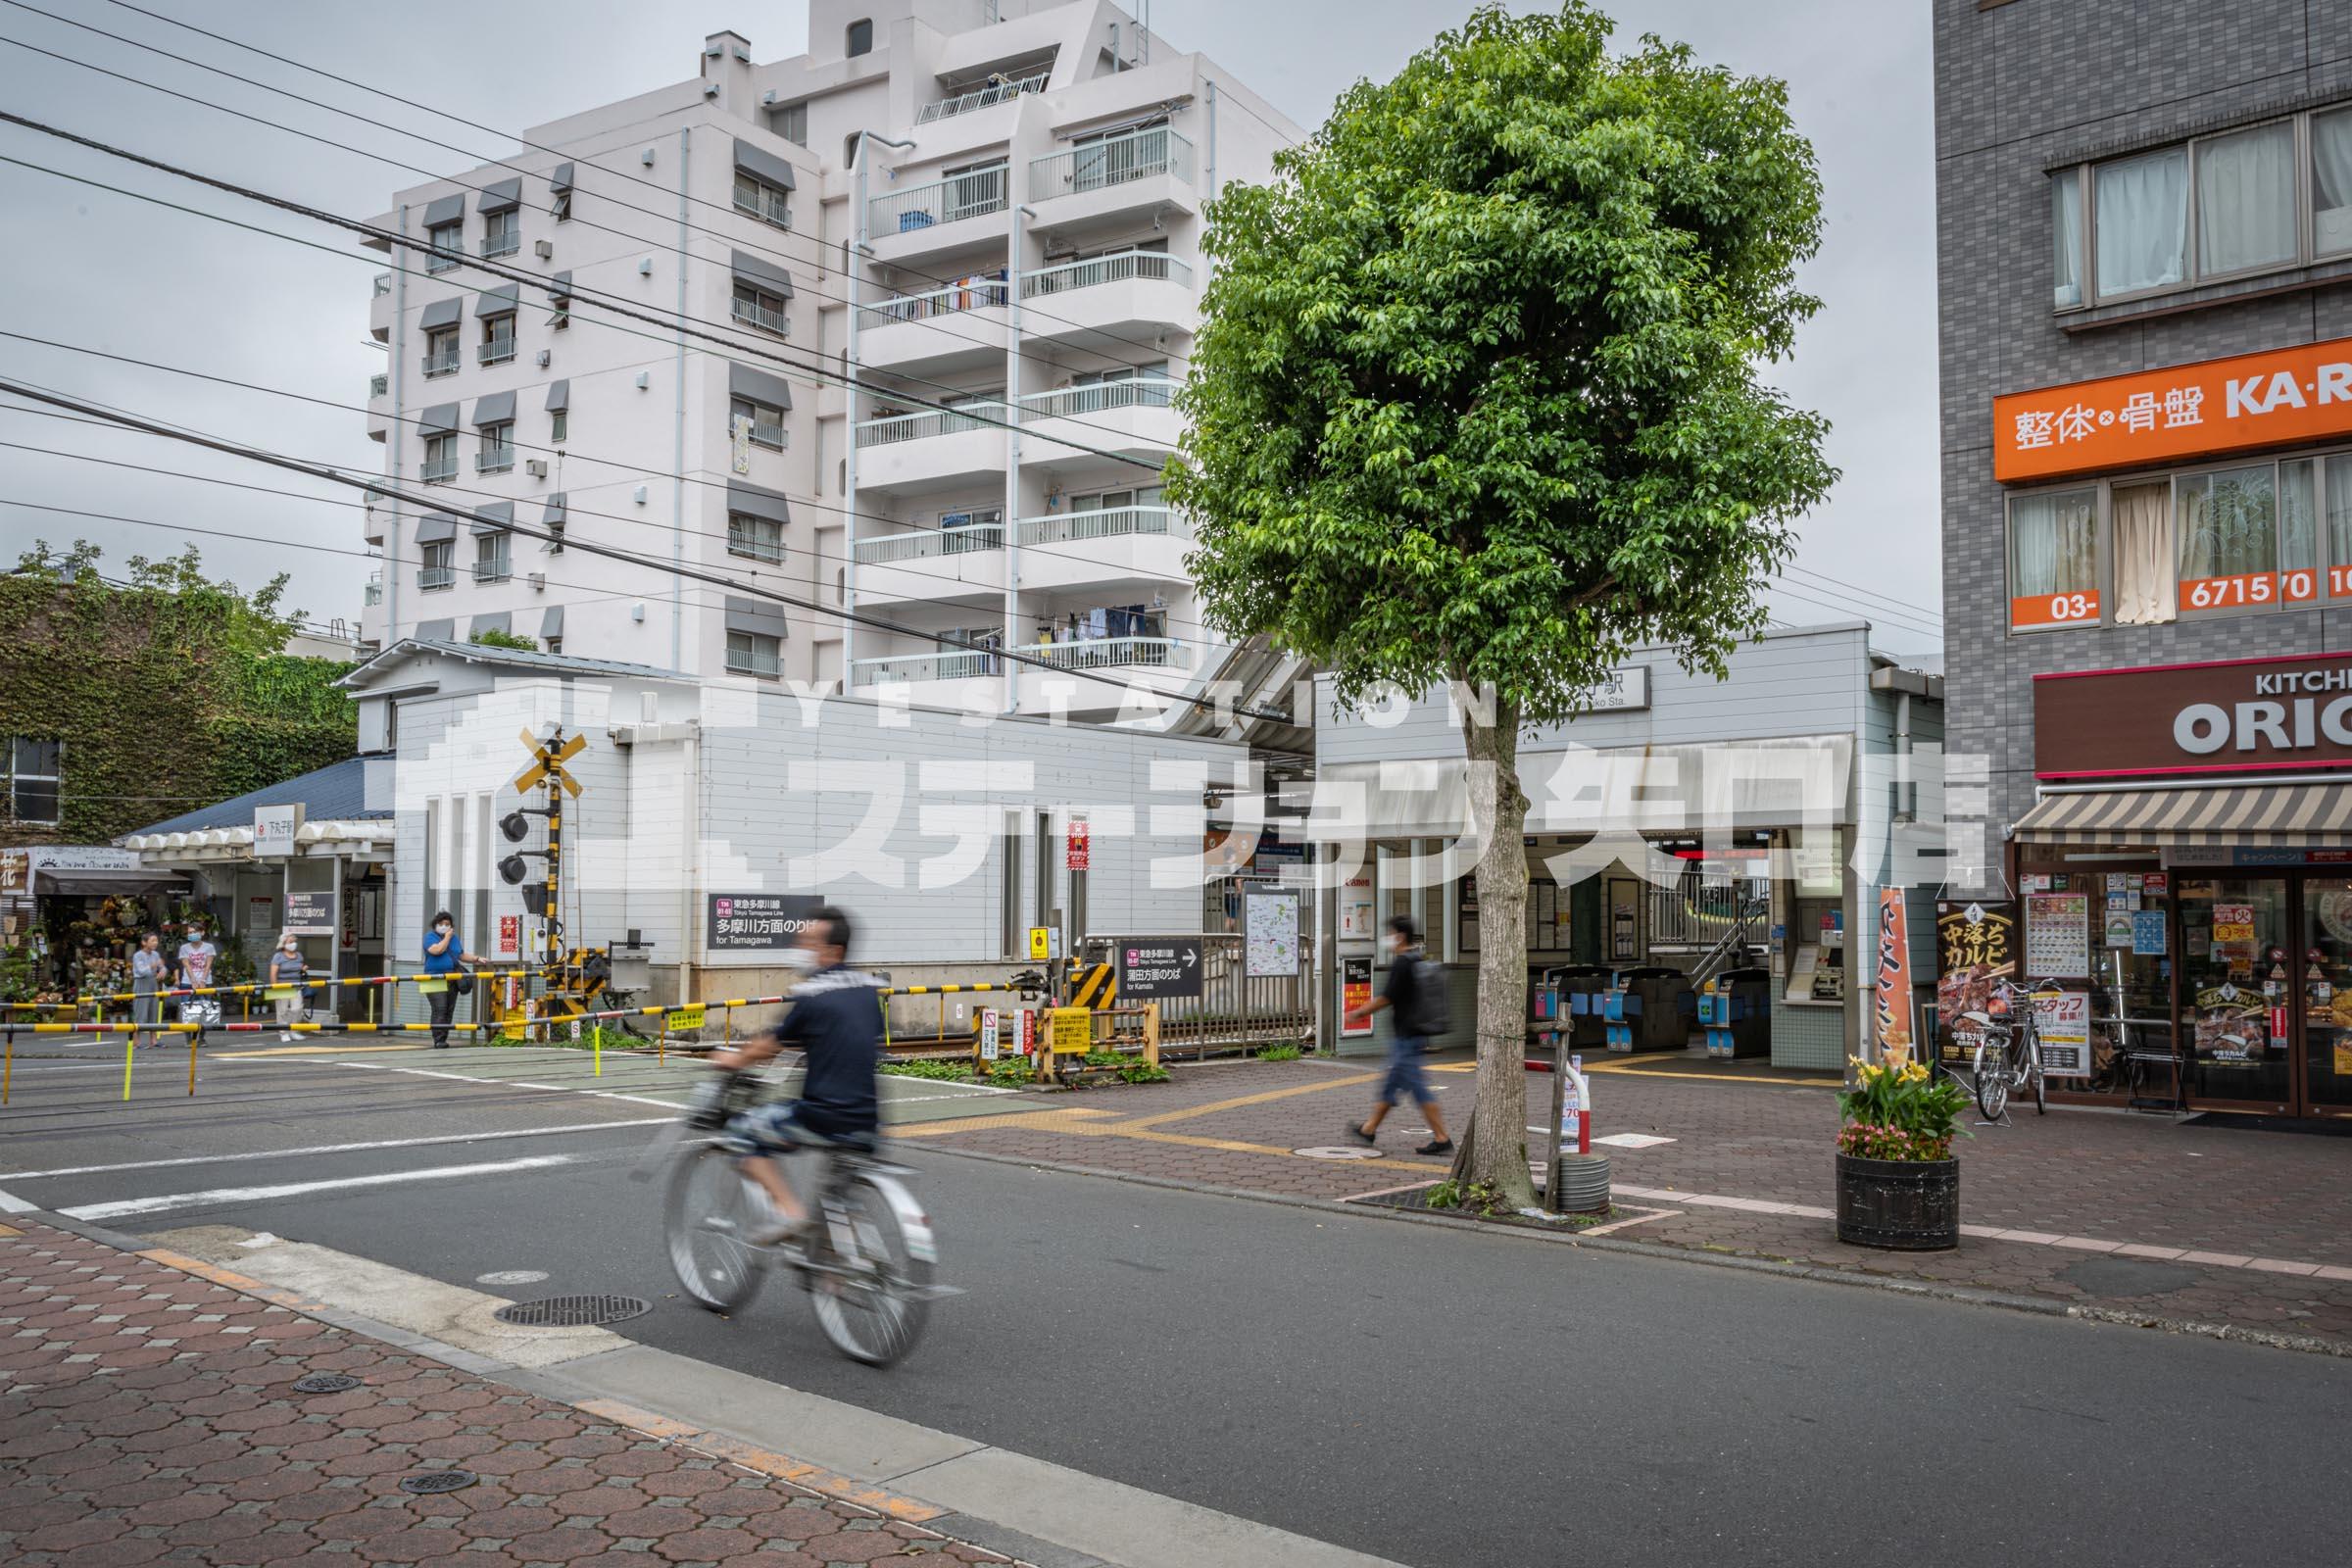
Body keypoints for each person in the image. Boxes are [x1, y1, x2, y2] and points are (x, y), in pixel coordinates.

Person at [709, 906, 881, 1248]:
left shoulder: (812, 994)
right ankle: (834, 1274)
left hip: (822, 1116)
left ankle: (789, 1210)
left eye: (809, 943)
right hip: (868, 1119)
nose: (803, 949)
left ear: (834, 951)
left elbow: (768, 1047)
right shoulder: (869, 989)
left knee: (741, 1131)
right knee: (837, 1192)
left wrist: (734, 1059)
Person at [1344, 914, 1453, 1155]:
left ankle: (1442, 1138)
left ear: (1400, 936)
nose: (1387, 939)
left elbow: (1386, 997)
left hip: (1407, 1038)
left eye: (1390, 934)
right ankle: (1368, 1130)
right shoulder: (1416, 959)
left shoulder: (1403, 963)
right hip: (1411, 1036)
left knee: (1418, 1088)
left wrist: (1359, 1012)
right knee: (1391, 1085)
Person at [421, 910, 480, 1049]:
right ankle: (438, 1039)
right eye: (441, 924)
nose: (444, 926)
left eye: (447, 924)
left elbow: (461, 955)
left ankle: (443, 1038)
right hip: (433, 978)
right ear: (435, 924)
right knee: (439, 1008)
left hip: (452, 977)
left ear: (451, 926)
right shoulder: (429, 937)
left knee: (448, 1009)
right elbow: (437, 950)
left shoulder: (454, 938)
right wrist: (447, 937)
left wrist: (477, 959)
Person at [174, 919, 220, 1034]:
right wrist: (193, 981)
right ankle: (188, 1038)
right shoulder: (184, 948)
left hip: (206, 982)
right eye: (189, 933)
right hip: (187, 983)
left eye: (194, 932)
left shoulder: (209, 947)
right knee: (187, 1011)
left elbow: (208, 964)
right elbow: (186, 964)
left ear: (202, 933)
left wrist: (203, 980)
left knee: (204, 1011)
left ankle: (202, 1037)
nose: (191, 934)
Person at [129, 931, 166, 1048]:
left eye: (156, 940)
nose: (156, 943)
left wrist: (162, 971)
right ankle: (136, 1041)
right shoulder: (138, 955)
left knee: (153, 1012)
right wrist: (154, 965)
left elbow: (162, 967)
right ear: (144, 942)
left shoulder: (155, 954)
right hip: (141, 983)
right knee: (141, 1012)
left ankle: (153, 1040)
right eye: (152, 940)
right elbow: (141, 971)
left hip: (153, 983)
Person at [270, 933, 308, 1042]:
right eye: (290, 942)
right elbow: (273, 974)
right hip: (283, 987)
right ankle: (284, 1032)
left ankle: (294, 1030)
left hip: (296, 987)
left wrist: (303, 970)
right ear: (284, 944)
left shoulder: (299, 955)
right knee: (282, 1011)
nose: (293, 944)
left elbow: (299, 971)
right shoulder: (278, 956)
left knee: (297, 1009)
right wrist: (275, 988)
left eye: (294, 942)